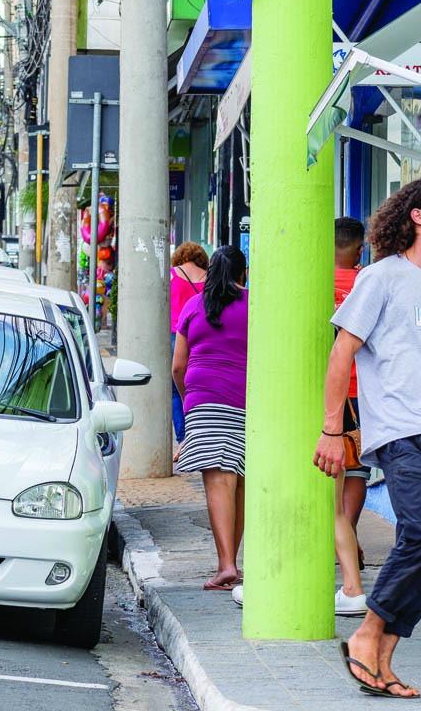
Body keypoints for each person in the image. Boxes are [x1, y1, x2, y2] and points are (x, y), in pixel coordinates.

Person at [316, 177, 421, 699]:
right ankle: (364, 635)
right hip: (402, 433)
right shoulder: (380, 278)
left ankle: (381, 659)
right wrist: (332, 430)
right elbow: (342, 354)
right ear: (419, 216)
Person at [173, 245, 248, 591]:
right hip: (247, 401)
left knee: (218, 482)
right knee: (239, 480)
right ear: (242, 274)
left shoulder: (193, 306)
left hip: (204, 399)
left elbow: (178, 366)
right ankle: (233, 561)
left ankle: (226, 565)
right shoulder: (253, 305)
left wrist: (189, 400)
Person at [332, 217, 369, 616]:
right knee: (356, 472)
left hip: (325, 395)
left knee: (328, 488)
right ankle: (349, 534)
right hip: (362, 395)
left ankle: (342, 544)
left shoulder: (311, 280)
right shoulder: (367, 284)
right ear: (359, 249)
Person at [170, 242, 209, 457]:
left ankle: (184, 439)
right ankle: (202, 433)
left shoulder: (172, 274)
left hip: (176, 334)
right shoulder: (209, 276)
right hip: (201, 335)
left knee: (176, 390)